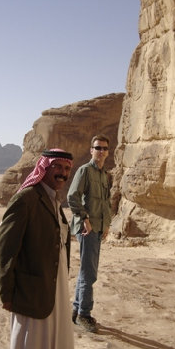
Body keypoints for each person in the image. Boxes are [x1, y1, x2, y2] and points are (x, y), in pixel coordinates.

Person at [0, 149, 75, 349]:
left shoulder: (54, 202)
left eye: (67, 169)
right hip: (31, 296)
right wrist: (7, 293)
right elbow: (5, 249)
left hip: (55, 295)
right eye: (58, 168)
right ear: (44, 167)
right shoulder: (27, 199)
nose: (63, 174)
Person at [67, 135, 111, 333]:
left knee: (87, 269)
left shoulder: (104, 174)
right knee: (89, 272)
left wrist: (106, 225)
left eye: (104, 149)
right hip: (88, 228)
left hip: (98, 227)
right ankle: (84, 314)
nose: (101, 152)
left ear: (108, 152)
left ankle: (76, 311)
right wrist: (85, 219)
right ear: (91, 150)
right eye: (97, 148)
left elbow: (105, 203)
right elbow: (72, 196)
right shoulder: (85, 170)